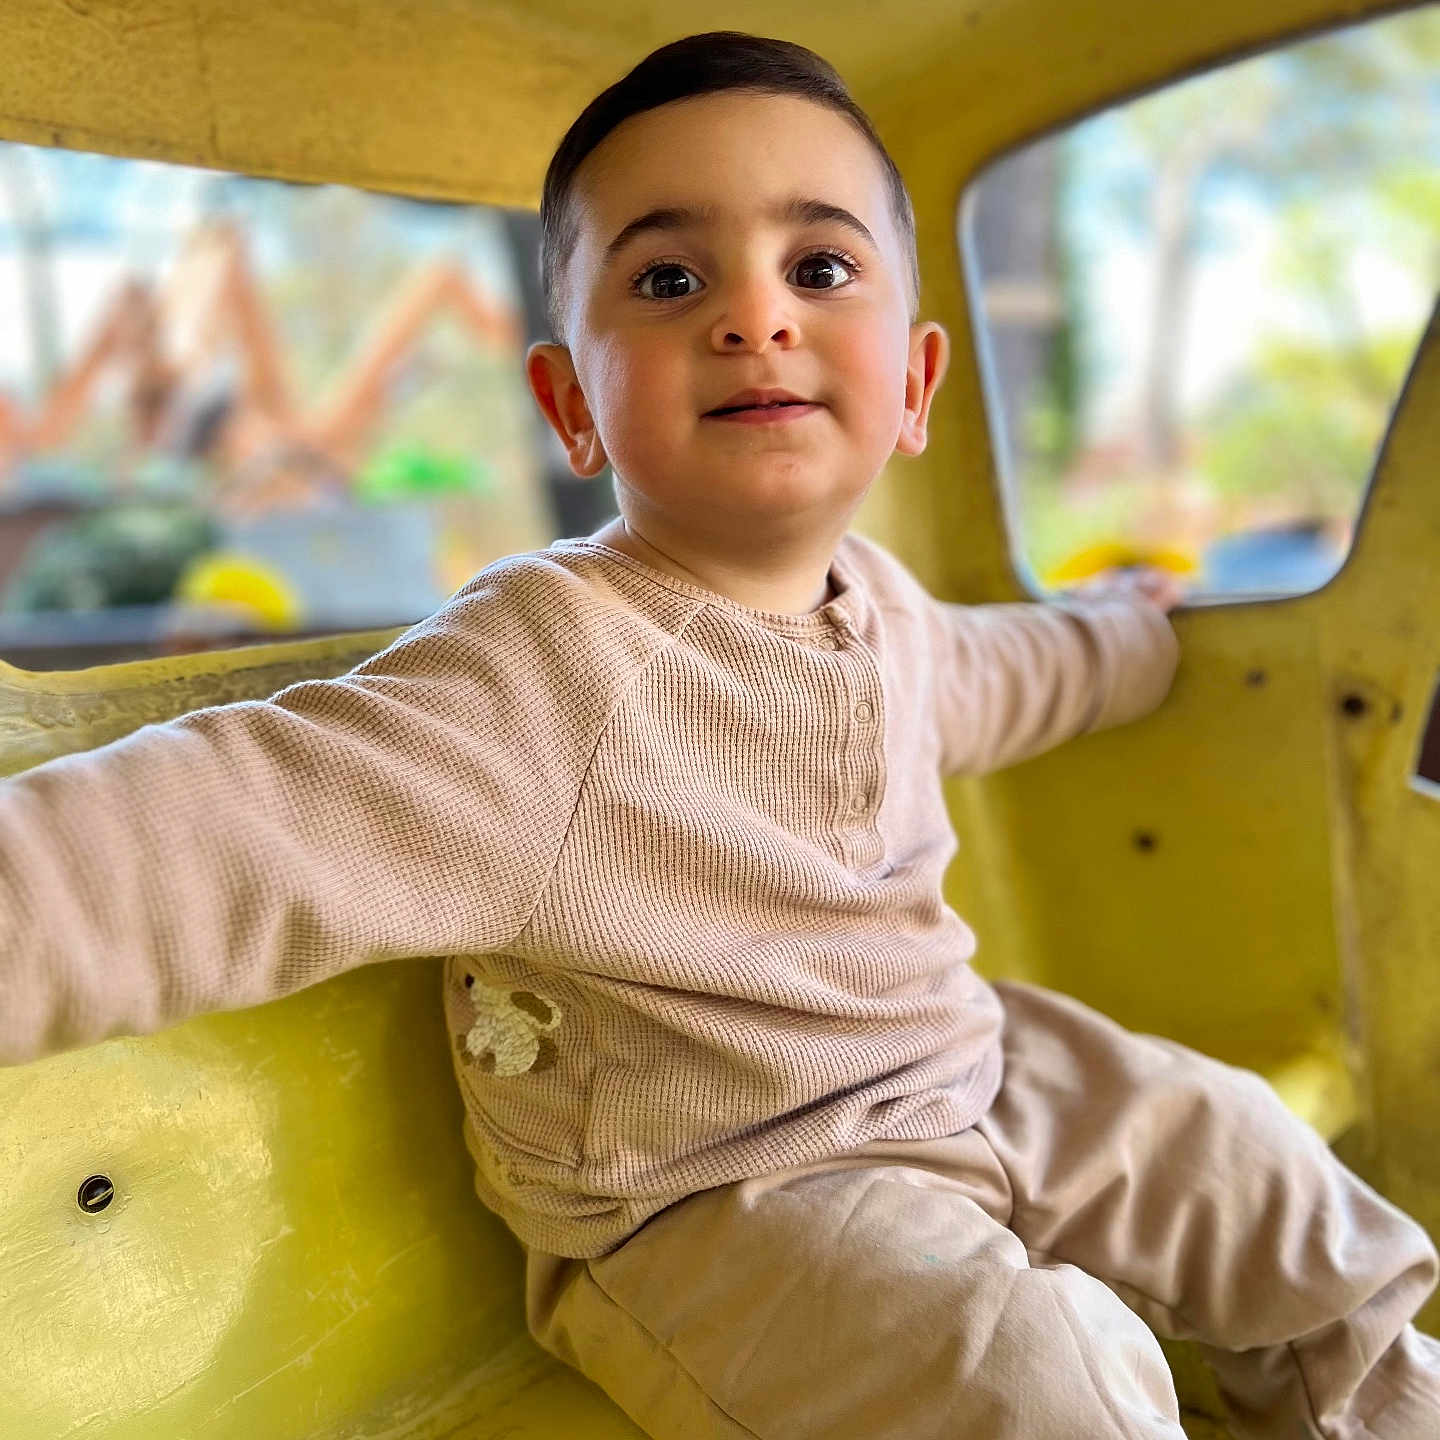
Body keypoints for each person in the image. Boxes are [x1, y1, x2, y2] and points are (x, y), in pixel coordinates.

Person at [0, 29, 1435, 1440]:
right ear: (573, 405)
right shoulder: (546, 672)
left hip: (965, 1069)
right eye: (670, 279)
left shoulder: (885, 608)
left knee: (1255, 1168)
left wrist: (1128, 636)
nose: (755, 316)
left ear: (916, 384)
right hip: (721, 1200)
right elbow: (200, 845)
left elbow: (1016, 673)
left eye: (820, 267)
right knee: (1034, 1383)